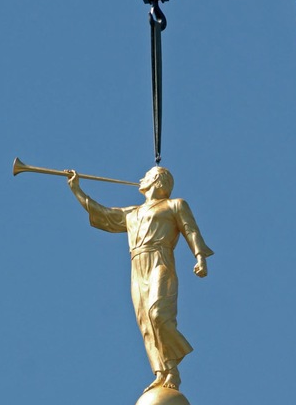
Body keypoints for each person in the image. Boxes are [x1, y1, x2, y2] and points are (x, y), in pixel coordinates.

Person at [66, 166, 213, 392]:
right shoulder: (132, 213)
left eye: (145, 176)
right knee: (145, 322)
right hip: (137, 265)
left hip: (160, 260)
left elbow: (190, 230)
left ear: (157, 181)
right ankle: (162, 371)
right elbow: (103, 214)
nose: (140, 179)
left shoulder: (174, 205)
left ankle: (174, 366)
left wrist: (200, 256)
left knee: (158, 314)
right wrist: (77, 190)